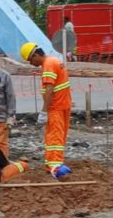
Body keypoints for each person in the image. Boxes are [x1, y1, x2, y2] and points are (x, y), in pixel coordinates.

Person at [20, 42, 73, 179]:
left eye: (31, 60)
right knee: (58, 137)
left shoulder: (48, 65)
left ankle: (55, 168)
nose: (31, 63)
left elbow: (49, 89)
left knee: (54, 138)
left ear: (36, 55)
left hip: (55, 107)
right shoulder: (54, 60)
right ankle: (53, 165)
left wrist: (44, 111)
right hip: (63, 105)